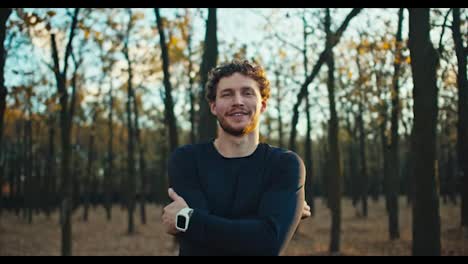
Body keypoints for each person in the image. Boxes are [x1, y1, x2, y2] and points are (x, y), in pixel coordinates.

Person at [162, 59, 310, 256]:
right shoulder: (186, 161)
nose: (237, 101)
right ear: (213, 106)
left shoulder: (285, 164)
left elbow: (270, 244)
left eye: (247, 93)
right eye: (227, 94)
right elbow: (197, 248)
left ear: (263, 105)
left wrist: (188, 220)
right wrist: (265, 226)